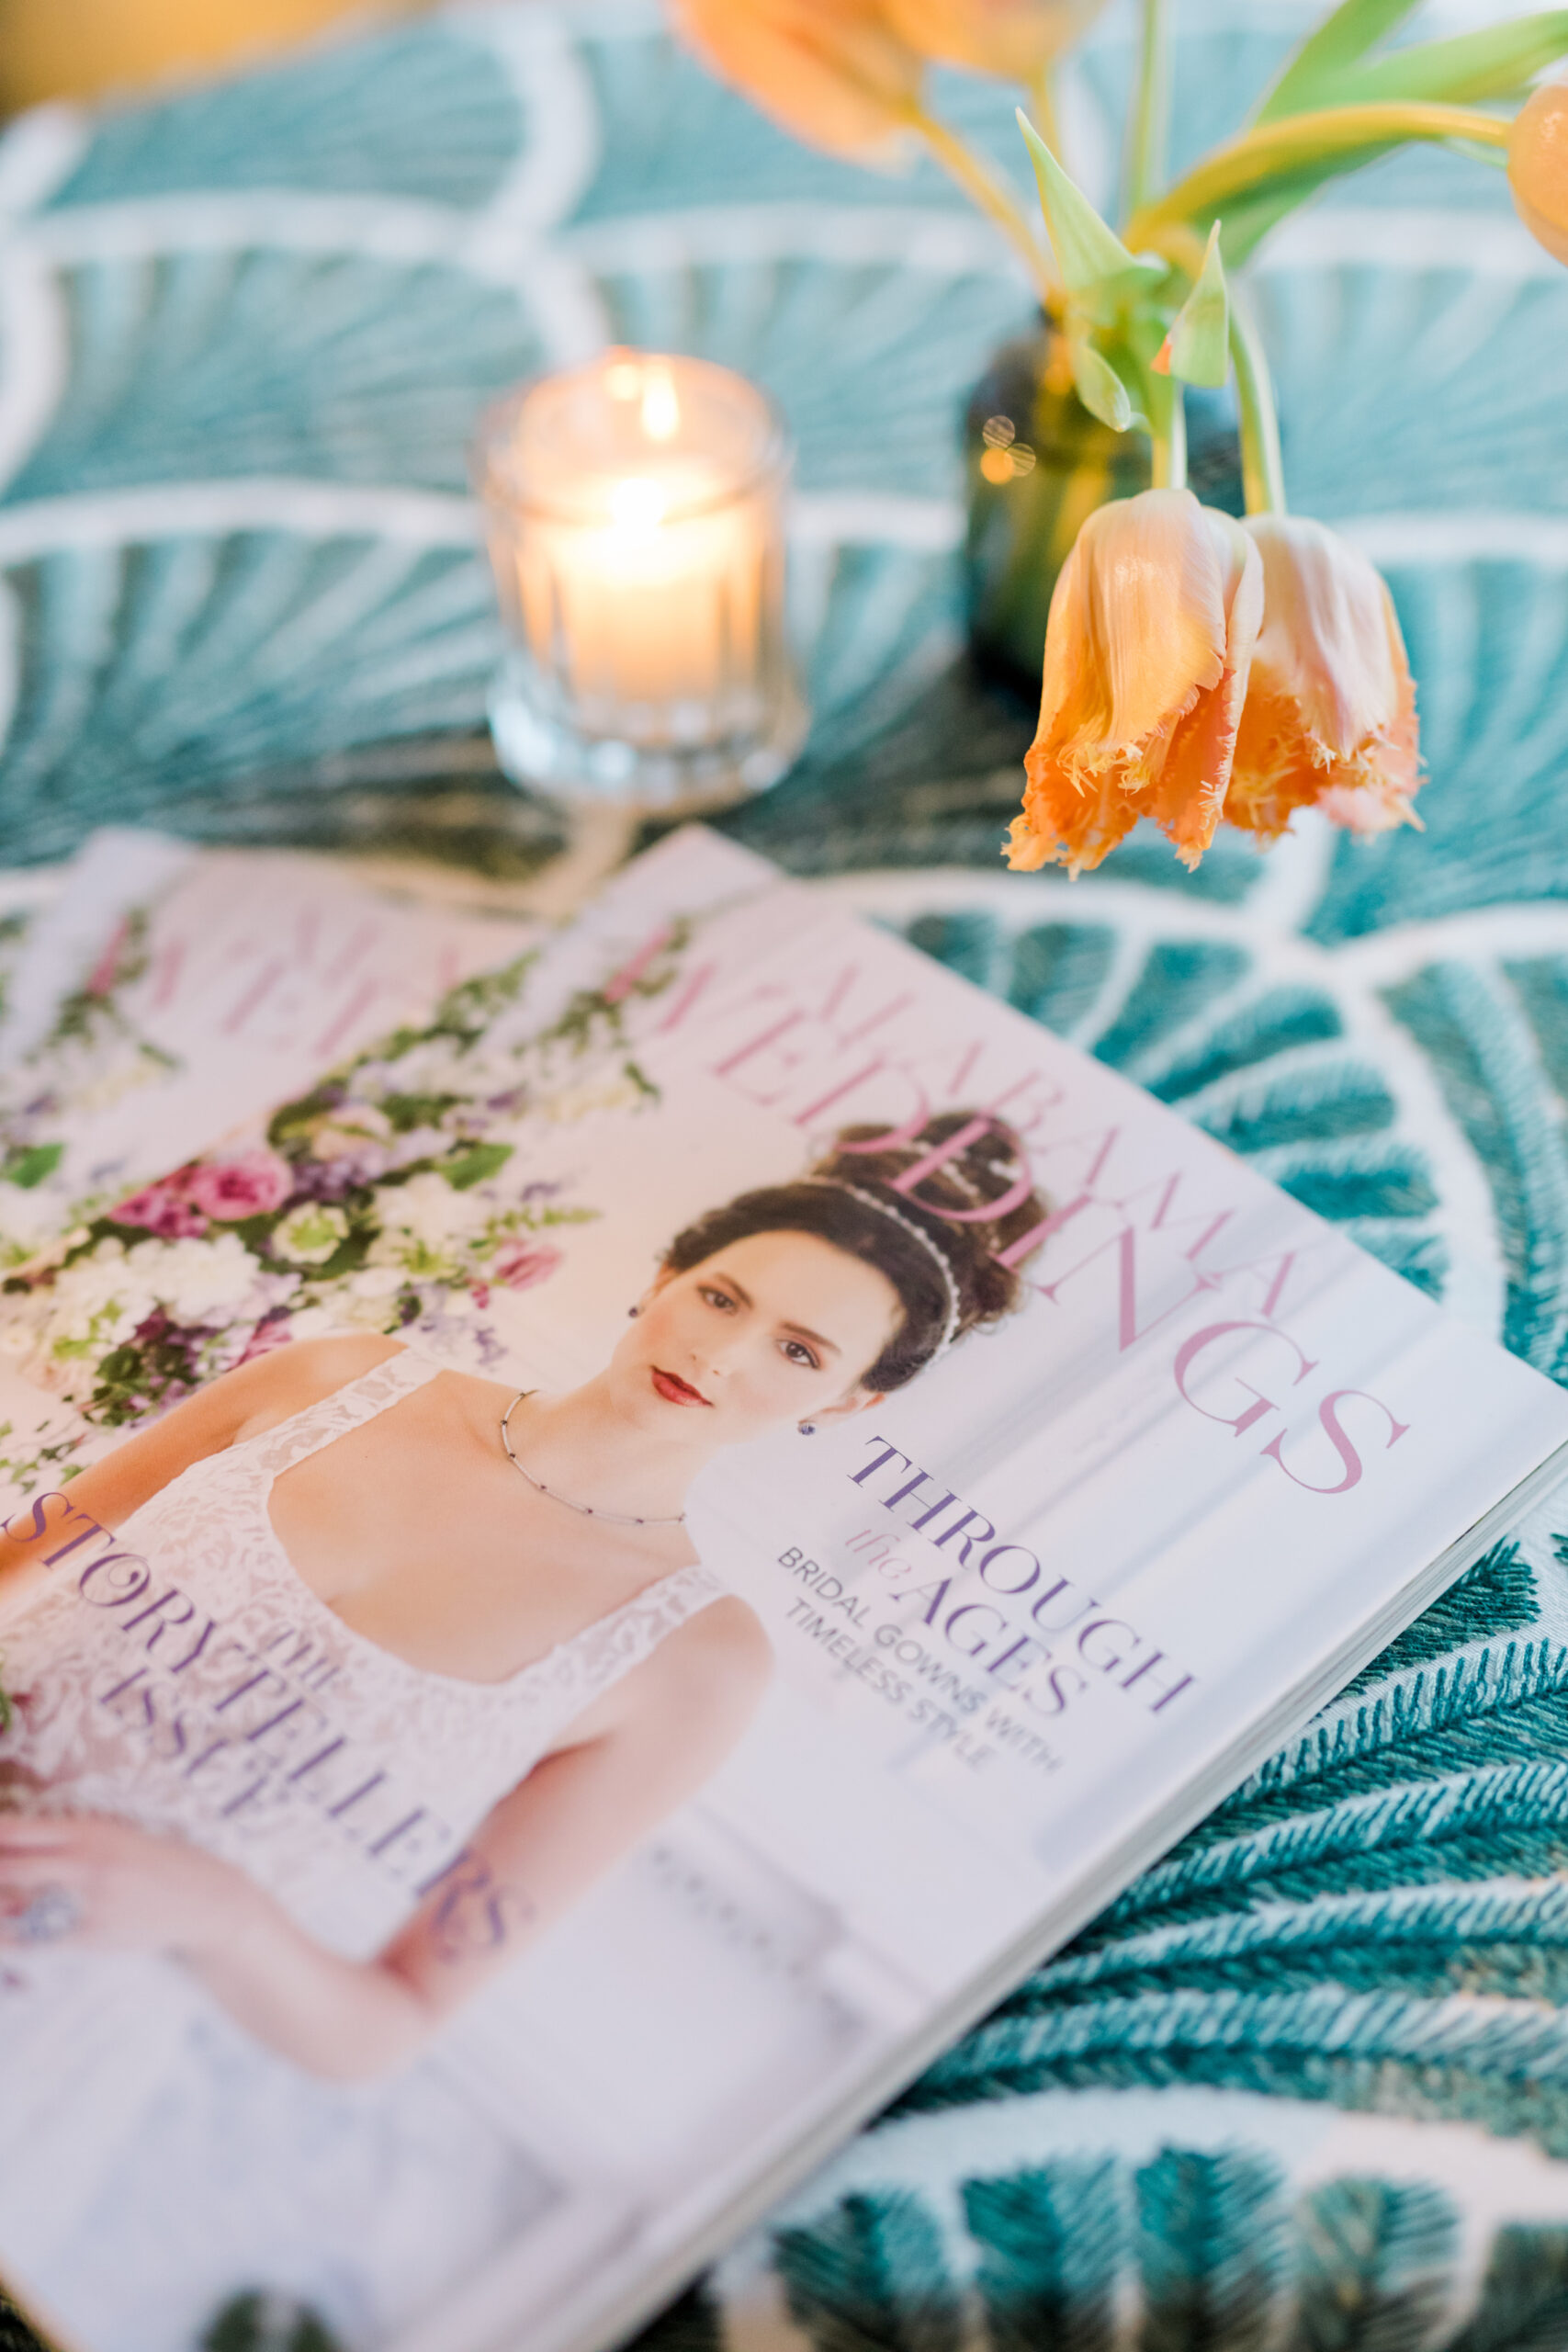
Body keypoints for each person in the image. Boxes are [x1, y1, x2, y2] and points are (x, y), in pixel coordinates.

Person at [0, 1113, 1044, 2343]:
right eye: (720, 1297)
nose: (725, 1354)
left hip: (51, 2029)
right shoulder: (333, 1380)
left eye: (798, 1349)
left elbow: (380, 2030)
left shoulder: (693, 1661)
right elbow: (20, 1561)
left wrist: (216, 1911)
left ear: (854, 1400)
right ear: (663, 1277)